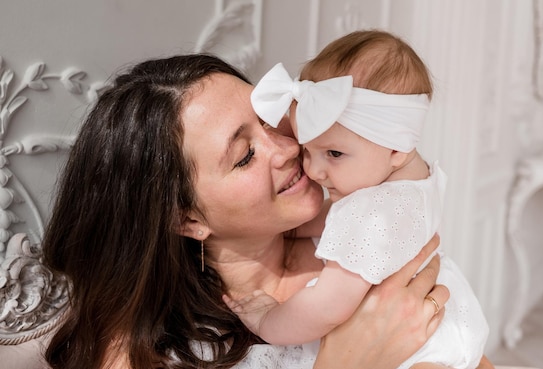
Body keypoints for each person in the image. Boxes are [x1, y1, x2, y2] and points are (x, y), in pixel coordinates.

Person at [40, 53, 461, 369]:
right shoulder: (141, 351)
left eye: (271, 120)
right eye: (244, 156)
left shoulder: (357, 233)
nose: (290, 147)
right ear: (188, 219)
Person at [227, 30, 489, 369]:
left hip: (418, 351)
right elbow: (333, 219)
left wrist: (268, 321)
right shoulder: (415, 181)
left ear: (397, 149)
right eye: (308, 149)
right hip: (449, 323)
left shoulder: (369, 213)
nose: (313, 169)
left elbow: (327, 306)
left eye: (333, 153)